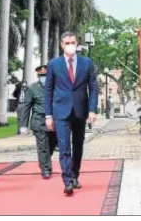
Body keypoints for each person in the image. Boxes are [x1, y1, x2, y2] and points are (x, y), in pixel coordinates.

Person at [44, 31, 98, 196]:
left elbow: (93, 87)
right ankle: (67, 181)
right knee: (64, 146)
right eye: (67, 43)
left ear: (77, 43)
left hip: (80, 110)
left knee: (78, 145)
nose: (70, 45)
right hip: (61, 111)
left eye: (73, 42)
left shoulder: (86, 63)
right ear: (62, 45)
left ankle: (75, 175)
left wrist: (92, 109)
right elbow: (48, 89)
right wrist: (48, 115)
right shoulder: (54, 64)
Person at [21, 65, 58, 179]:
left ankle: (45, 160)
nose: (44, 77)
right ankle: (46, 169)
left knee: (52, 144)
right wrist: (23, 125)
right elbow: (26, 106)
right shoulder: (32, 88)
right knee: (43, 145)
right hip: (39, 120)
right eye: (41, 75)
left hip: (53, 121)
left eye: (45, 75)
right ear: (38, 76)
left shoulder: (56, 87)